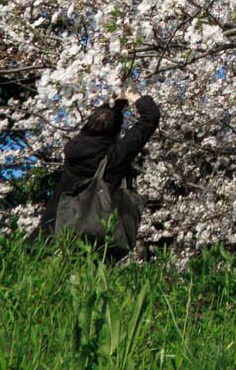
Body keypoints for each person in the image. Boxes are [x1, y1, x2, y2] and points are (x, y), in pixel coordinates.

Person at [49, 92, 160, 259]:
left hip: (51, 232)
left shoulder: (74, 148)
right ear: (116, 131)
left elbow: (103, 123)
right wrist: (132, 94)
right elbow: (150, 117)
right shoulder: (114, 156)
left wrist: (117, 104)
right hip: (89, 244)